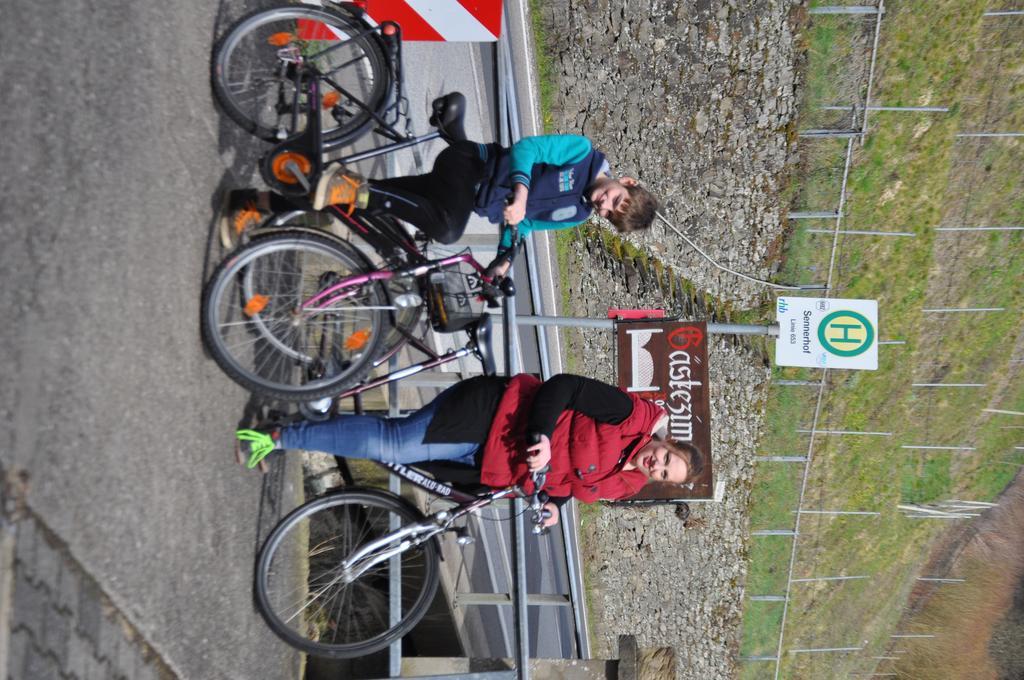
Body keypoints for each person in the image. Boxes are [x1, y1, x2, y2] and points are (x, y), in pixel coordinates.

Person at [220, 94, 661, 273]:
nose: (604, 206)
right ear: (625, 181)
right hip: (470, 164)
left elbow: (522, 226)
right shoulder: (581, 153)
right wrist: (523, 192)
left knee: (368, 210)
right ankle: (351, 187)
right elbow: (526, 149)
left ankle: (257, 202)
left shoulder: (577, 214)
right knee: (447, 229)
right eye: (615, 199)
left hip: (464, 198)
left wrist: (505, 258)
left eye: (609, 215)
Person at [235, 373, 704, 527]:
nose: (657, 466)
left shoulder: (626, 485)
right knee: (392, 440)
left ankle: (310, 419)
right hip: (494, 413)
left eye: (664, 474)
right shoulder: (629, 415)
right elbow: (564, 387)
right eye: (666, 458)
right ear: (665, 442)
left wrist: (556, 507)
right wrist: (539, 435)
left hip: (489, 470)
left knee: (394, 456)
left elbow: (568, 481)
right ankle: (276, 437)